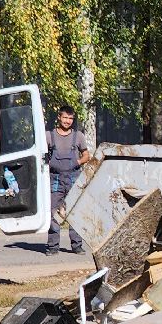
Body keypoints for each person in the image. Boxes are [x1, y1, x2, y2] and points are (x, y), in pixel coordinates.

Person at [45, 105, 92, 255]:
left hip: (73, 178)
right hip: (55, 180)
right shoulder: (48, 136)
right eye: (65, 117)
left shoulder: (78, 136)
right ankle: (53, 247)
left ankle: (77, 246)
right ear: (59, 117)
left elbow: (86, 156)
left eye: (71, 118)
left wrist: (77, 162)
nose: (67, 121)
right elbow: (40, 155)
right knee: (52, 213)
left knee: (75, 212)